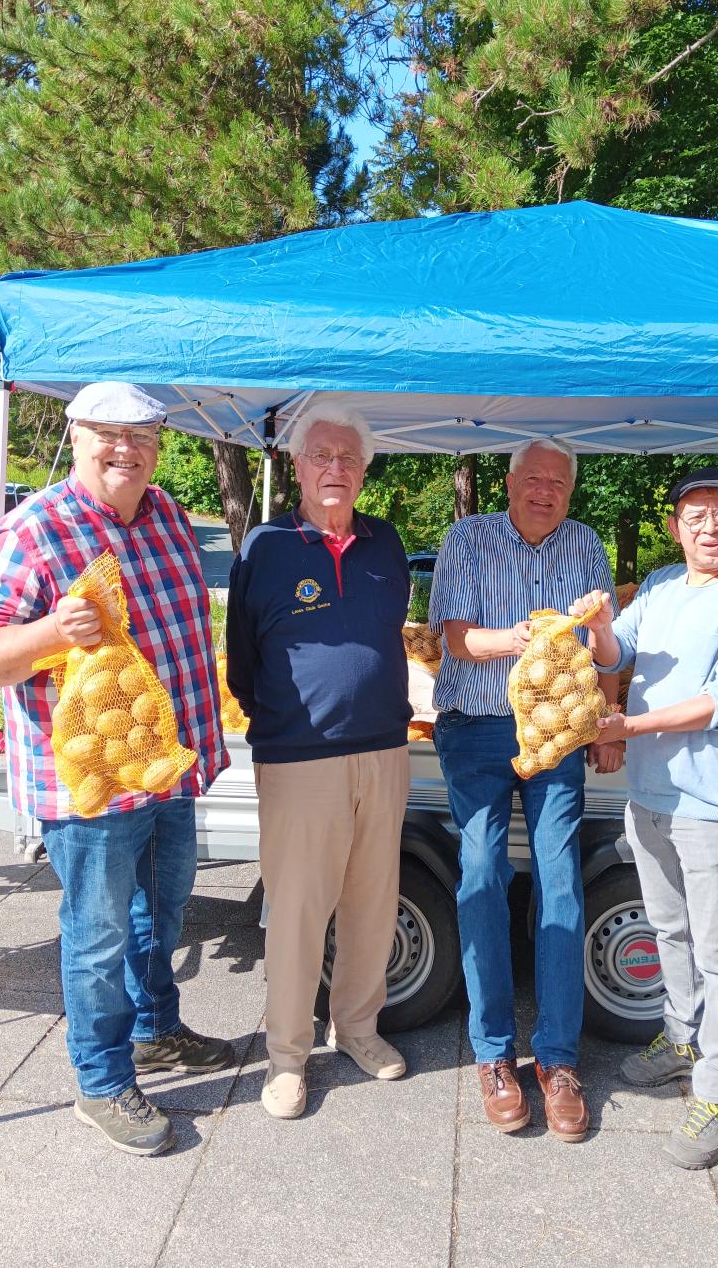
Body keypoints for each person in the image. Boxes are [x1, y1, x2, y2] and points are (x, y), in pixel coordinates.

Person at [0, 382, 231, 1157]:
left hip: (169, 770)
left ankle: (153, 1031)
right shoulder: (33, 530)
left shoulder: (170, 514)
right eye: (109, 435)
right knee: (98, 931)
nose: (126, 450)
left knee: (164, 913)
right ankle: (102, 1079)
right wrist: (51, 629)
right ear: (76, 436)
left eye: (142, 437)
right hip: (93, 786)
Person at [576, 466, 718, 1169]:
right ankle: (680, 1035)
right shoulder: (666, 582)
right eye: (695, 514)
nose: (709, 526)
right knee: (668, 926)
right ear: (676, 525)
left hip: (713, 804)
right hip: (652, 795)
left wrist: (628, 725)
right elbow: (620, 651)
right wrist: (604, 628)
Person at [429, 438, 621, 1142]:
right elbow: (454, 638)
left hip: (558, 735)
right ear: (509, 483)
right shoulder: (469, 538)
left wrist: (607, 718)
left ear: (570, 492)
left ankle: (561, 1059)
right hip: (477, 730)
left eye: (558, 483)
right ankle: (493, 1052)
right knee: (480, 872)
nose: (545, 491)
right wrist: (521, 639)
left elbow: (606, 647)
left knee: (561, 880)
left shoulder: (584, 544)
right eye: (533, 479)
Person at [226, 402, 412, 1121]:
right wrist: (286, 722)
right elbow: (243, 662)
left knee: (372, 903)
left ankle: (358, 1029)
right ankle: (286, 1058)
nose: (335, 469)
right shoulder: (264, 548)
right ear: (298, 467)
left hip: (385, 751)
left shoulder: (387, 543)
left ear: (364, 471)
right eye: (321, 456)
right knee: (299, 912)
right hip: (300, 760)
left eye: (349, 458)